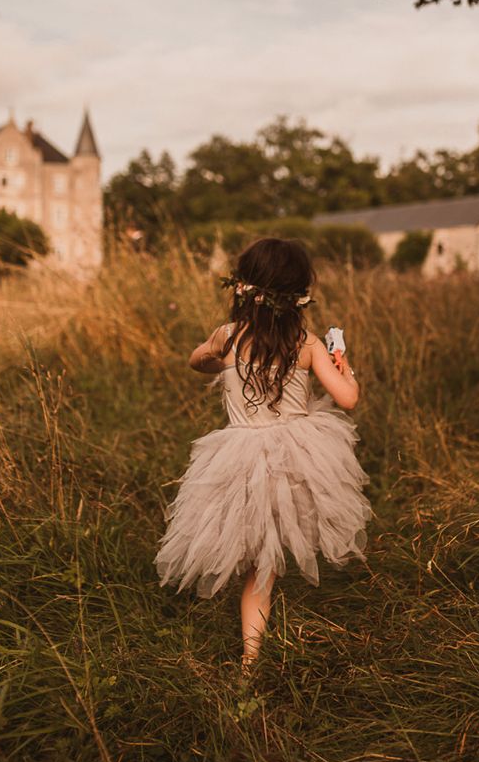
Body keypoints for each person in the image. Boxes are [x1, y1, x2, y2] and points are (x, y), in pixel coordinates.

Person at [154, 237, 373, 674]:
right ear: (299, 293)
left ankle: (251, 658)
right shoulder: (308, 344)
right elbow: (347, 399)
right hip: (298, 455)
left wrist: (220, 358)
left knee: (256, 554)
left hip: (241, 455)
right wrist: (343, 363)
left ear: (243, 287)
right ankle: (254, 654)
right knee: (269, 553)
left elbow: (197, 361)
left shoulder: (229, 337)